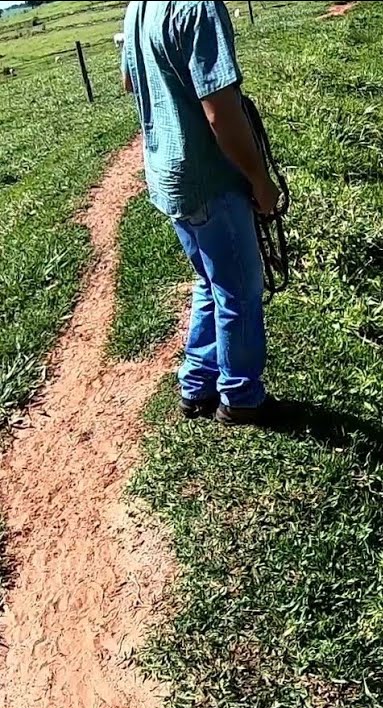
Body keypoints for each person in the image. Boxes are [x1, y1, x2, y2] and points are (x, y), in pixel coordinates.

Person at [120, 1, 278, 424]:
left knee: (210, 281)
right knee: (239, 290)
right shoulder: (198, 6)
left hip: (168, 173)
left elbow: (128, 80)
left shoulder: (141, 6)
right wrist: (260, 179)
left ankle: (196, 385)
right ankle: (241, 395)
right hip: (207, 175)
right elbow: (219, 112)